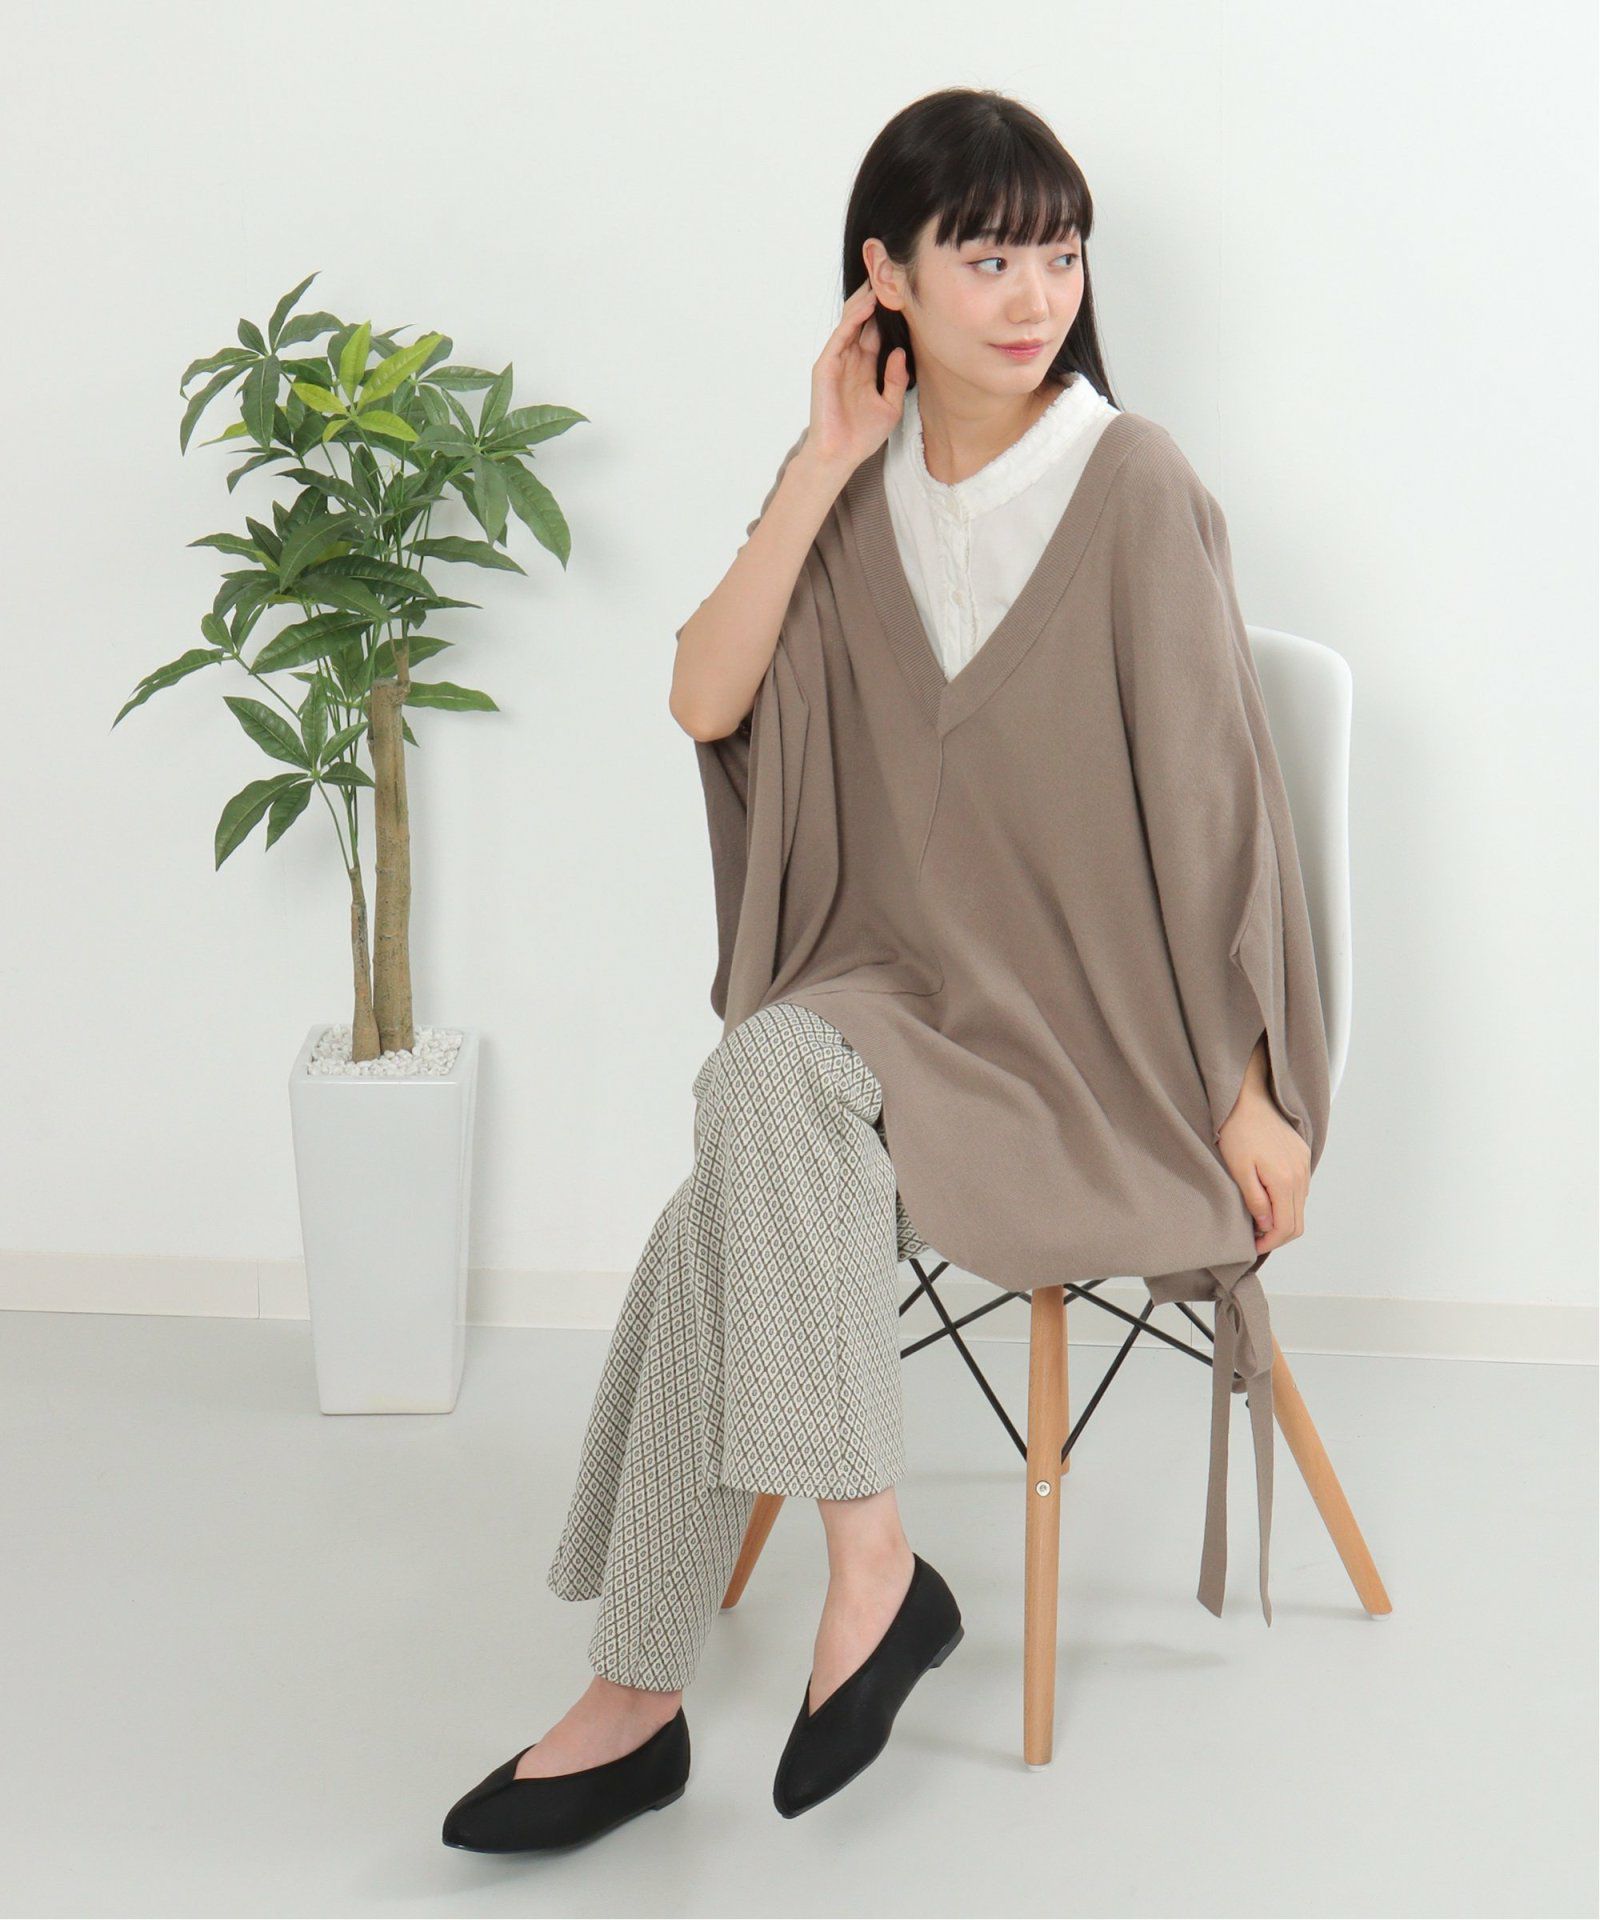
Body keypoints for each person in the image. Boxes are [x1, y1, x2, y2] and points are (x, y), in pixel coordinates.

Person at [443, 85, 1320, 1854]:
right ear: (886, 276)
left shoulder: (1133, 483)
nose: (1035, 297)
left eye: (1060, 256)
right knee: (773, 1087)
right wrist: (822, 462)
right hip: (900, 1013)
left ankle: (646, 1690)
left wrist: (1251, 1087)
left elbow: (1221, 809)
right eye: (986, 258)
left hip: (1095, 1056)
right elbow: (704, 695)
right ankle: (851, 1577)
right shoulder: (859, 493)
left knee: (744, 1128)